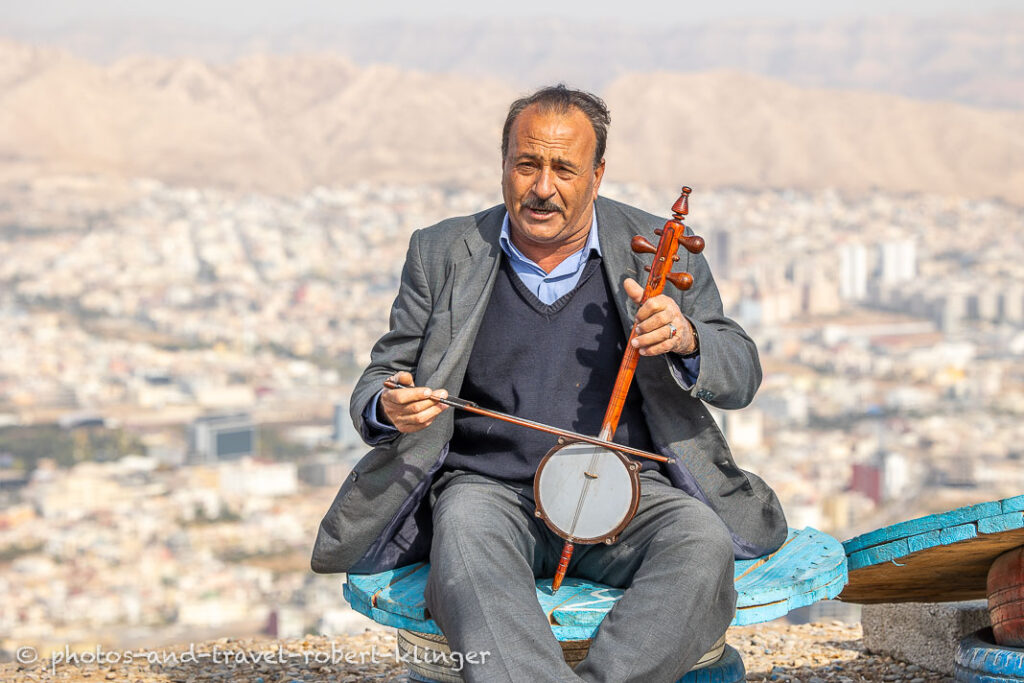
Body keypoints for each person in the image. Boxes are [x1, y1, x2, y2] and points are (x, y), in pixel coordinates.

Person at [312, 85, 787, 682]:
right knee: (464, 555)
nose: (542, 187)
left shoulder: (658, 254)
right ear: (504, 164)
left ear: (598, 174)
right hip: (490, 492)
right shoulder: (442, 252)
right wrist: (389, 405)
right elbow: (381, 377)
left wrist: (689, 339)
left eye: (564, 168)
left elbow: (741, 372)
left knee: (700, 546)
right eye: (526, 164)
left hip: (630, 491)